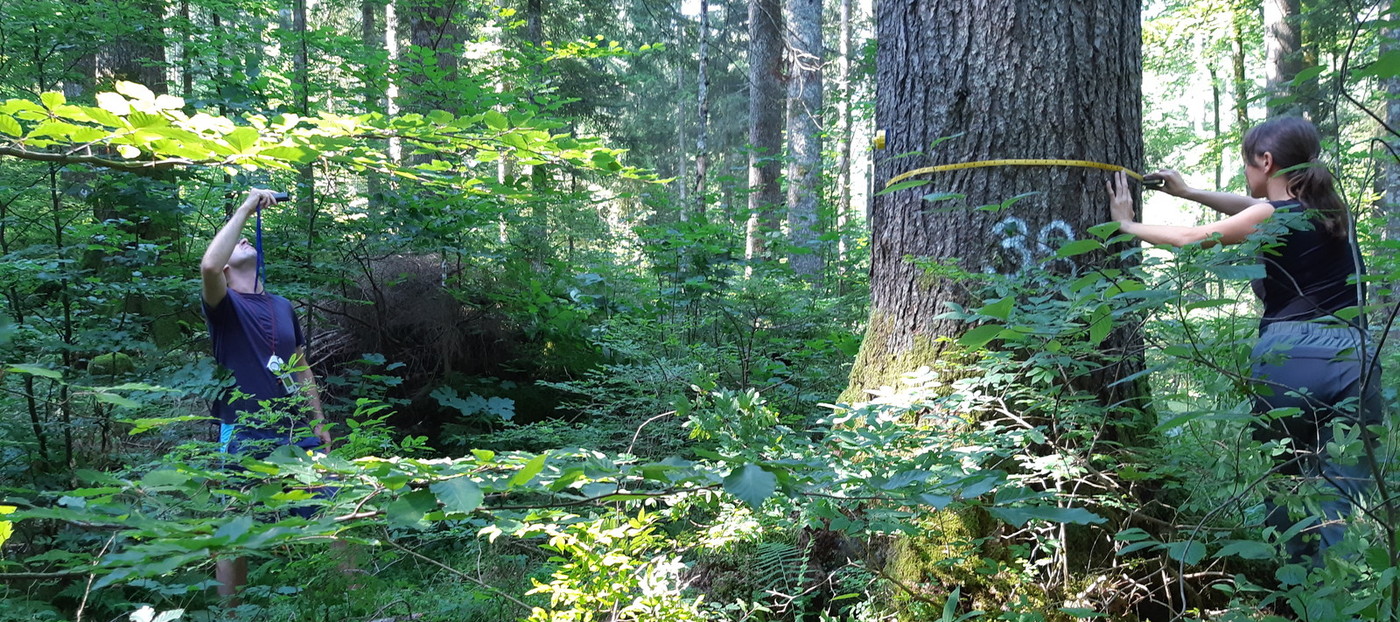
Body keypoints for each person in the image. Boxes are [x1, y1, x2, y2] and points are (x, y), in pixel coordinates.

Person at [1105, 116, 1381, 566]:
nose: (1245, 175)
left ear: (1266, 161)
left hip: (1293, 355)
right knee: (1339, 490)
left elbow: (1192, 238)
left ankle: (1295, 586)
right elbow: (1251, 209)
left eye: (1247, 164)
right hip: (1357, 355)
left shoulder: (1276, 215)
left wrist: (1127, 227)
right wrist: (1191, 192)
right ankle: (1333, 589)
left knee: (1287, 479)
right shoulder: (1331, 213)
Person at [200, 188, 332, 602]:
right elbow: (207, 264)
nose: (242, 241)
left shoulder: (281, 305)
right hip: (242, 428)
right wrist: (244, 208)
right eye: (234, 241)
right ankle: (230, 613)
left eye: (244, 237)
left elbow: (299, 365)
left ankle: (358, 600)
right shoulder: (223, 304)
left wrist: (319, 421)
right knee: (235, 523)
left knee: (338, 510)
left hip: (295, 430)